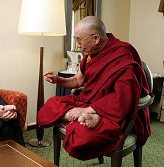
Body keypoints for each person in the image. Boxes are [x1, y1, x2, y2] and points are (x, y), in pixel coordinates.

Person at [38, 16, 151, 160]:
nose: (78, 45)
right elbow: (78, 80)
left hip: (111, 111)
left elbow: (124, 99)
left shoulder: (123, 54)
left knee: (81, 140)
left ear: (96, 38)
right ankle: (78, 117)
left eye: (79, 40)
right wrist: (58, 80)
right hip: (87, 102)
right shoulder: (90, 54)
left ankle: (88, 117)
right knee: (50, 105)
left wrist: (90, 110)